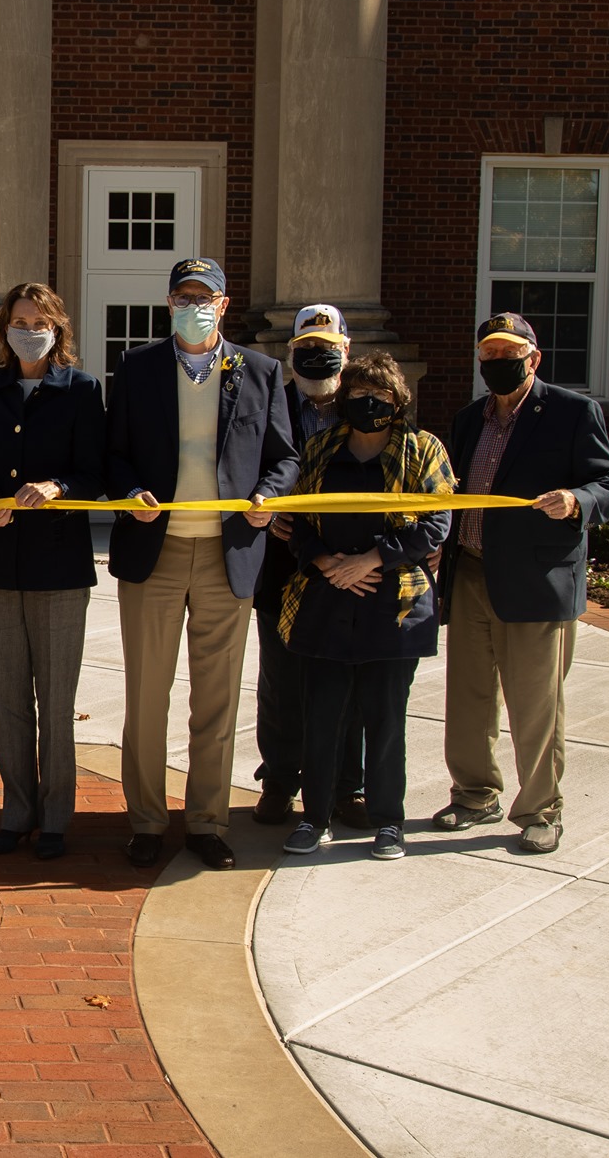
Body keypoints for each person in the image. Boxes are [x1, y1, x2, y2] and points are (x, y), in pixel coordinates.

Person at [106, 257, 297, 871]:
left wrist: (271, 496)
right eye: (183, 295)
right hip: (154, 552)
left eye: (205, 295)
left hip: (228, 553)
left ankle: (207, 821)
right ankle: (145, 821)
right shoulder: (137, 369)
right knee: (147, 695)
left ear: (223, 301)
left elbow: (284, 458)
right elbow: (115, 455)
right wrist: (130, 491)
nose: (194, 304)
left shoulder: (260, 370)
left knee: (216, 700)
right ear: (169, 304)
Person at [438, 312, 609, 854]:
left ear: (534, 358)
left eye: (509, 353)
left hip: (536, 579)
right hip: (472, 571)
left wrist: (577, 501)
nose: (499, 362)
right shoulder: (470, 419)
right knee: (469, 696)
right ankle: (474, 794)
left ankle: (541, 809)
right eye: (490, 355)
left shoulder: (572, 412)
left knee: (535, 703)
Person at [276, 351, 453, 861]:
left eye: (379, 397)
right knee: (323, 716)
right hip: (325, 599)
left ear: (398, 402)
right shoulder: (321, 448)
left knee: (385, 719)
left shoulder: (422, 450)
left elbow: (436, 523)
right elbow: (298, 521)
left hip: (392, 605)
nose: (367, 404)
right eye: (356, 395)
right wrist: (328, 563)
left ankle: (387, 821)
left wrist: (373, 560)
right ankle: (315, 817)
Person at [0, 282, 105, 860]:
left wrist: (58, 486)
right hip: (1, 563)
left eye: (39, 321)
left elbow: (94, 476)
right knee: (8, 696)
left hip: (60, 566)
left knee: (56, 700)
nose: (28, 329)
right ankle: (16, 812)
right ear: (5, 328)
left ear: (58, 328)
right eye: (18, 320)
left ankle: (55, 818)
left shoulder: (82, 390)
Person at [252, 304, 371, 829]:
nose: (315, 355)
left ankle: (348, 786)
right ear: (289, 352)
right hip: (280, 564)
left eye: (327, 346)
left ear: (346, 350)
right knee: (281, 681)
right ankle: (280, 780)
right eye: (305, 347)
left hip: (350, 570)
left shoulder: (367, 408)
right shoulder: (265, 404)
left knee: (347, 680)